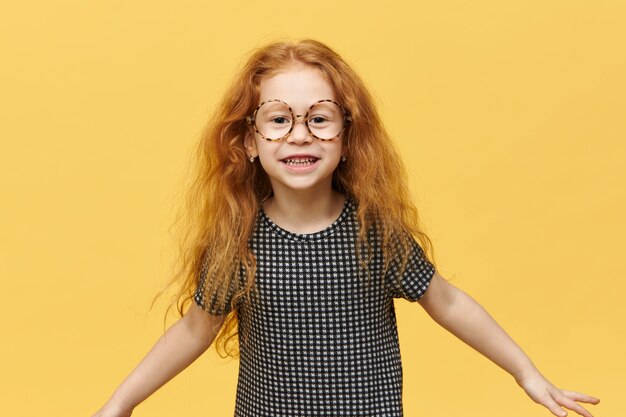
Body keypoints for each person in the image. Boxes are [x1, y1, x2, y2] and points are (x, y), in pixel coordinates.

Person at [92, 39, 599, 417]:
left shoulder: (374, 232)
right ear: (248, 140)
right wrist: (119, 405)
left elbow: (447, 302)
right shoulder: (238, 242)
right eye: (277, 119)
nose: (299, 134)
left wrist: (526, 373)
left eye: (319, 117)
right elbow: (194, 329)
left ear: (347, 136)